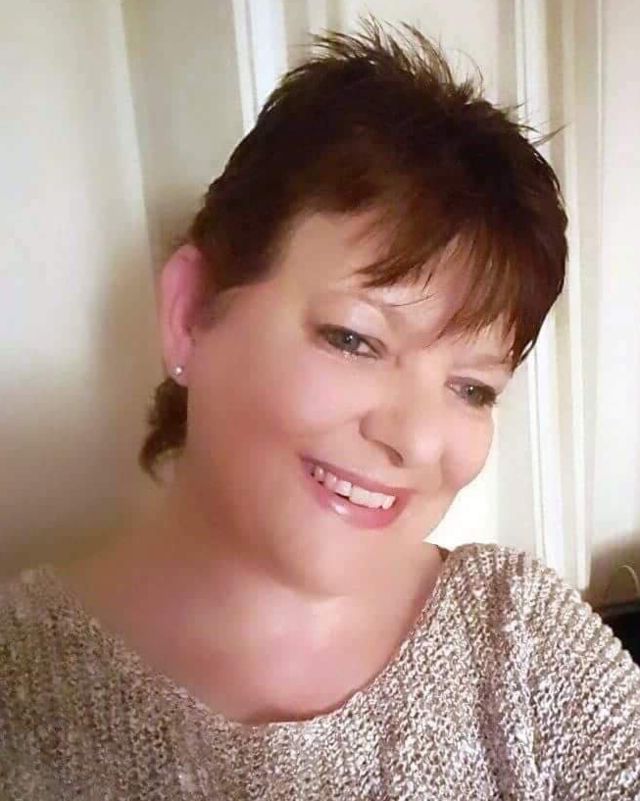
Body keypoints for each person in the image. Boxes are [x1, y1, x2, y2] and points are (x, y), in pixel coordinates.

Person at [1, 19, 639, 801]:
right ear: (191, 312)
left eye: (472, 387)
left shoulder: (520, 642)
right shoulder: (21, 685)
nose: (415, 438)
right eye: (354, 338)